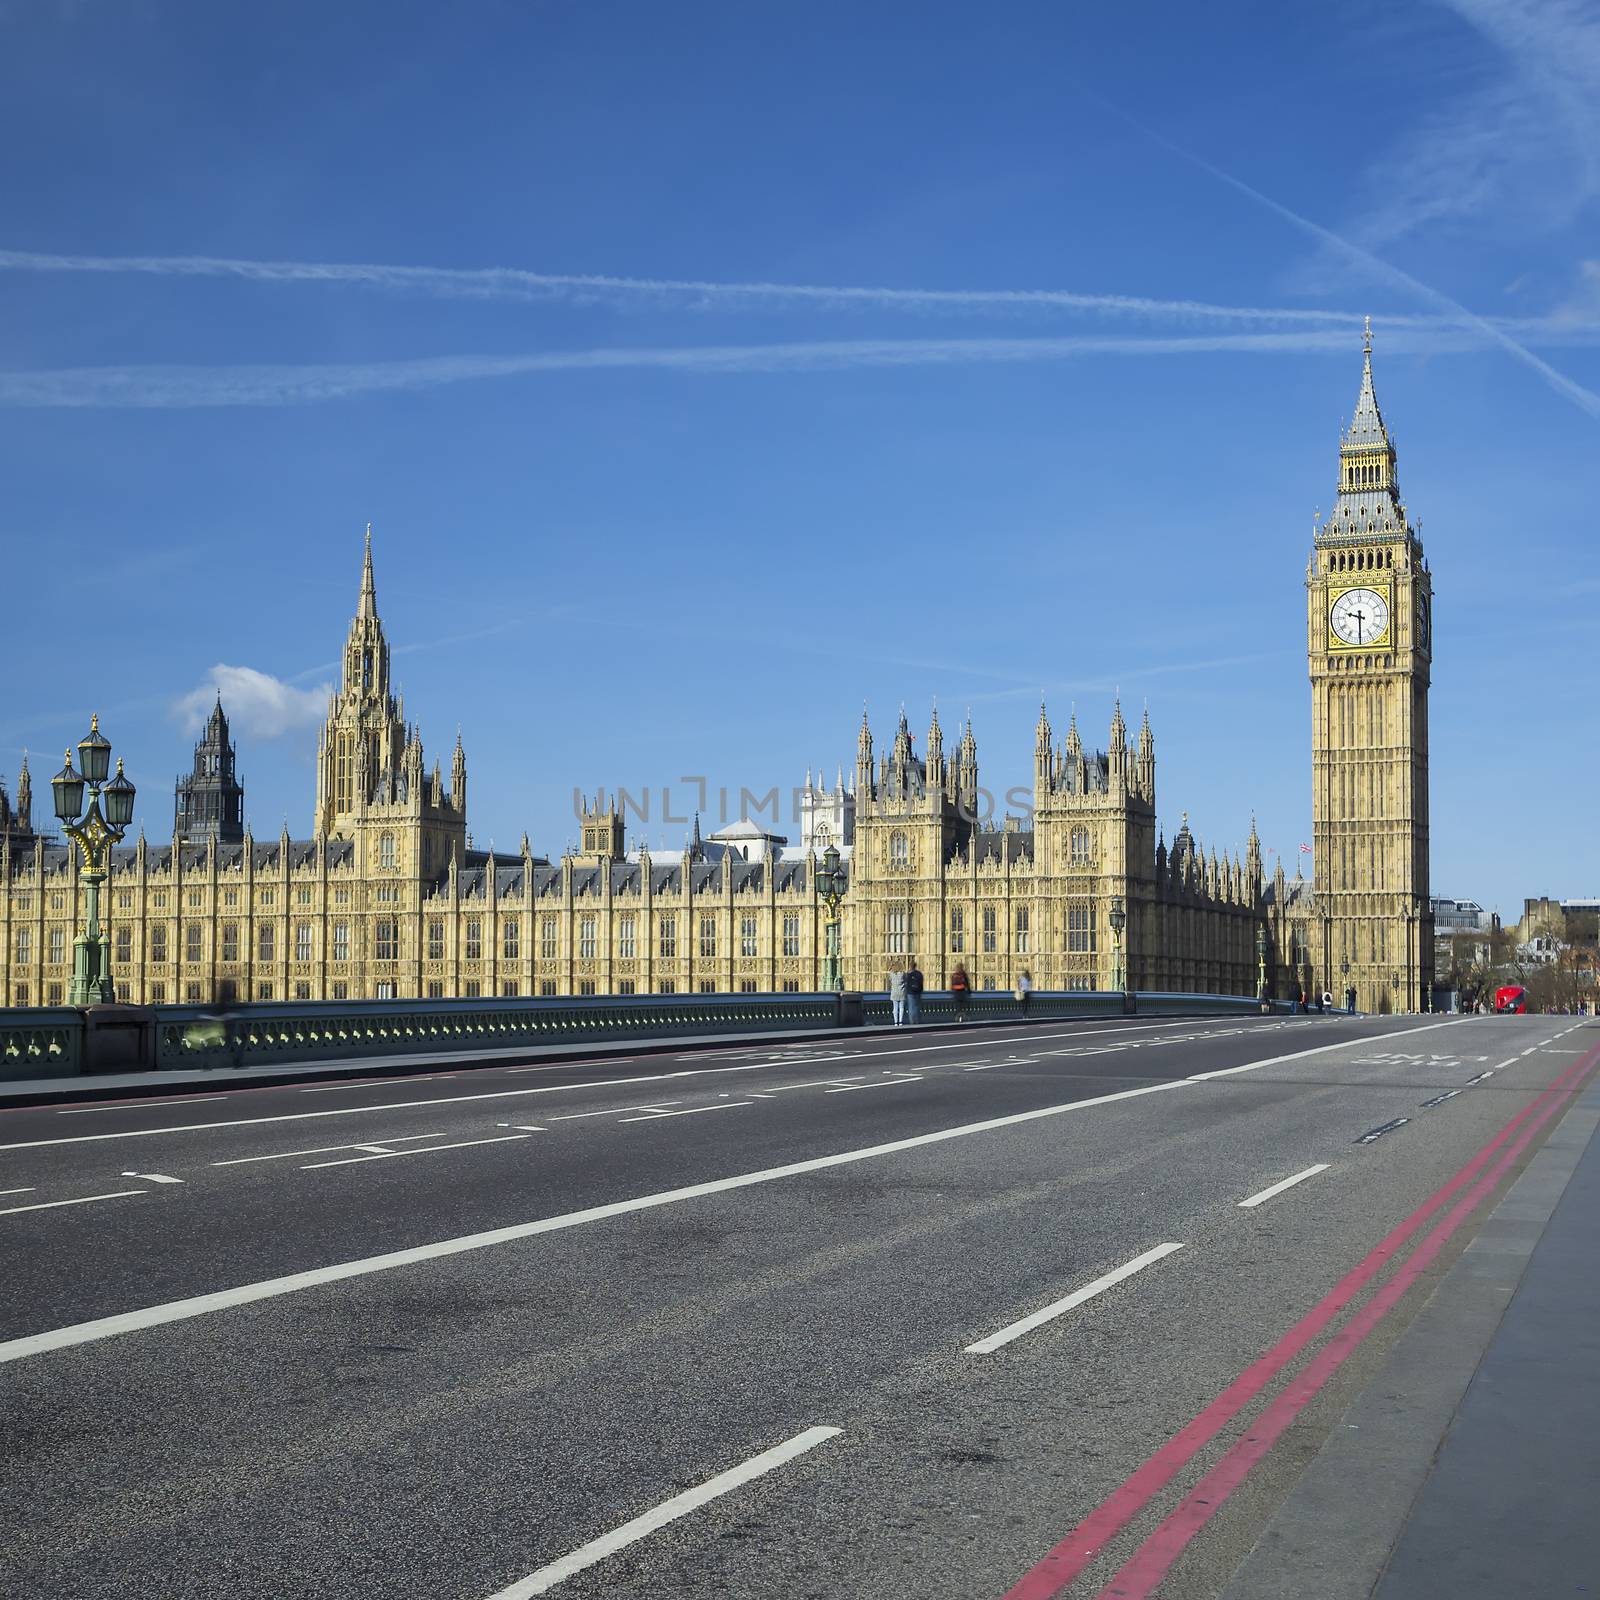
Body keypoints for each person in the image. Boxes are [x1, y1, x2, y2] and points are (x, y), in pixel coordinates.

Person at [905, 958, 924, 1025]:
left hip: (910, 992)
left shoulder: (908, 974)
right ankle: (918, 1021)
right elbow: (921, 983)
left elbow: (906, 983)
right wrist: (921, 990)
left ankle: (912, 1022)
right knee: (917, 1007)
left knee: (911, 1007)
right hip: (918, 992)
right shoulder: (919, 973)